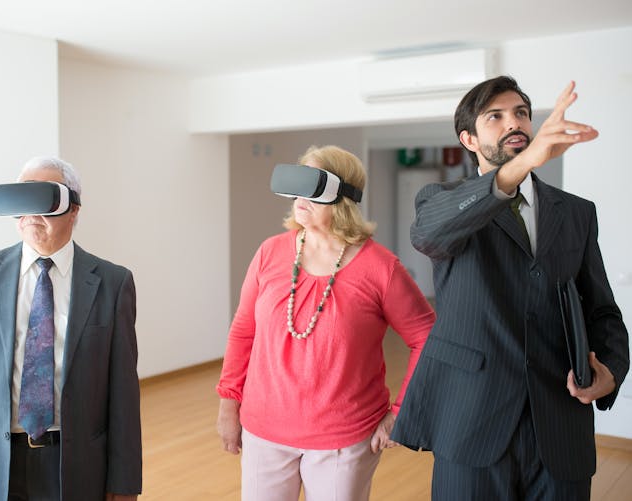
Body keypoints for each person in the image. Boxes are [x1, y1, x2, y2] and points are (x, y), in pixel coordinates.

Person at [391, 76, 629, 500]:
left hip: (560, 420)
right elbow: (429, 235)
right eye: (495, 116)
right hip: (470, 420)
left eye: (521, 113)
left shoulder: (576, 212)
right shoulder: (440, 200)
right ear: (468, 139)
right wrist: (519, 168)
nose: (513, 123)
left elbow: (602, 310)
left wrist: (611, 370)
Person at [216, 145, 436, 500]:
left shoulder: (381, 267)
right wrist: (229, 403)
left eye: (312, 185)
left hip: (344, 439)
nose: (299, 197)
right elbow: (244, 330)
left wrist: (404, 413)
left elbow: (426, 336)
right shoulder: (269, 252)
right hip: (263, 431)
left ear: (343, 196)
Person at [0, 157, 142, 501]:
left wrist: (125, 480)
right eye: (22, 198)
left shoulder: (113, 284)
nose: (30, 212)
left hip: (74, 464)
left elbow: (123, 393)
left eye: (43, 199)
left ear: (73, 210)